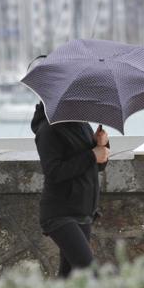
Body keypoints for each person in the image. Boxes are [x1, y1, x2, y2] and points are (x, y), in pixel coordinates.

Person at [30, 101, 110, 278]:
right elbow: (54, 172)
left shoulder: (81, 124)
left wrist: (101, 144)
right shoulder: (48, 129)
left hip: (83, 212)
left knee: (68, 279)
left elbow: (95, 167)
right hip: (60, 214)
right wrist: (92, 155)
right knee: (92, 275)